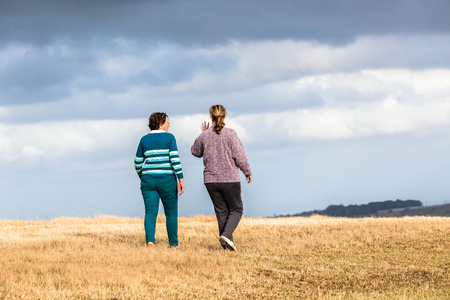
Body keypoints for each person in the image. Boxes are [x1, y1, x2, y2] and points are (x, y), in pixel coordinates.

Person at [191, 105, 252, 251]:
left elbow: (195, 151)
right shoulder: (230, 133)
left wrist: (203, 134)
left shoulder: (204, 136)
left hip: (211, 181)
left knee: (222, 212)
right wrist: (247, 171)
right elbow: (240, 156)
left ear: (210, 117)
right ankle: (226, 234)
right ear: (224, 117)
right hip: (230, 178)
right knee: (237, 209)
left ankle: (227, 245)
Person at [134, 112, 185, 248]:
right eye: (168, 122)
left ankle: (150, 241)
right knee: (171, 212)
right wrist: (180, 178)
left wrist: (142, 175)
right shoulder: (169, 137)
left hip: (148, 180)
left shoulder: (144, 139)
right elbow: (174, 159)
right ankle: (173, 243)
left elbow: (138, 162)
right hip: (167, 179)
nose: (169, 125)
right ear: (161, 123)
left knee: (150, 212)